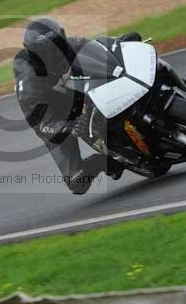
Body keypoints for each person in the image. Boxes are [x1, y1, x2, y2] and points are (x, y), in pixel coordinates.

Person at [13, 17, 142, 194]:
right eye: (50, 48)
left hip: (84, 97)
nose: (58, 50)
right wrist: (68, 127)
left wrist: (120, 43)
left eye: (59, 42)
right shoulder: (28, 78)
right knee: (77, 181)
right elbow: (40, 123)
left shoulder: (72, 44)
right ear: (36, 53)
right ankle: (102, 161)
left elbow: (101, 49)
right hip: (57, 119)